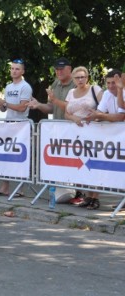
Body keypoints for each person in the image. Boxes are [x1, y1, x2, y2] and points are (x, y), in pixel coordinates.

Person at [58, 66, 103, 209]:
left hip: (93, 132)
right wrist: (73, 118)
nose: (80, 80)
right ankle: (88, 196)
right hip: (77, 135)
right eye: (77, 77)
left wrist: (95, 115)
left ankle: (95, 198)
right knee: (84, 165)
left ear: (87, 77)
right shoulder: (71, 92)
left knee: (93, 165)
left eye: (83, 77)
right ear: (73, 79)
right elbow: (66, 113)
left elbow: (104, 108)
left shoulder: (95, 90)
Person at [0, 59, 33, 197]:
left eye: (17, 69)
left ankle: (21, 189)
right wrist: (0, 105)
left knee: (20, 157)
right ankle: (5, 187)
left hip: (21, 126)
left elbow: (22, 107)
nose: (14, 71)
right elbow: (5, 109)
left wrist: (5, 104)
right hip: (9, 125)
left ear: (22, 71)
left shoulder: (25, 87)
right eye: (12, 68)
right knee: (6, 156)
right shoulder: (8, 87)